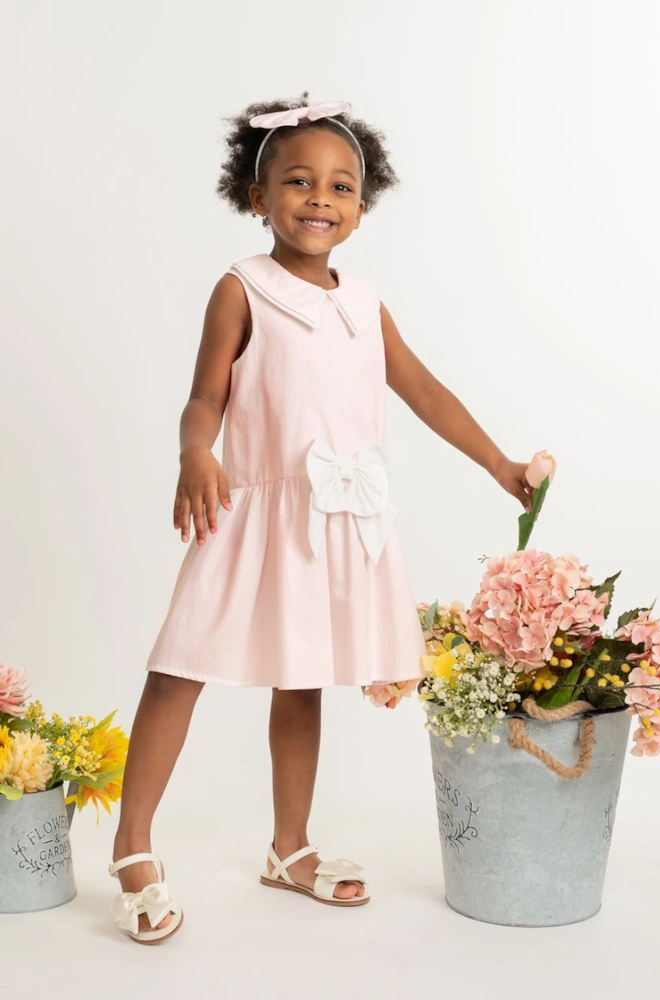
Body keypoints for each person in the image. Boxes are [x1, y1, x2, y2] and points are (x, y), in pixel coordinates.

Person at [108, 91, 540, 944]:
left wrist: (502, 466)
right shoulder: (244, 289)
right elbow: (206, 398)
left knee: (300, 680)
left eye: (341, 186)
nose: (319, 198)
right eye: (298, 180)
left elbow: (423, 392)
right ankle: (132, 844)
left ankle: (289, 847)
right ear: (257, 195)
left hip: (336, 518)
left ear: (362, 207)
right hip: (252, 509)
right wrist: (198, 454)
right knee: (179, 666)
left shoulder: (363, 303)